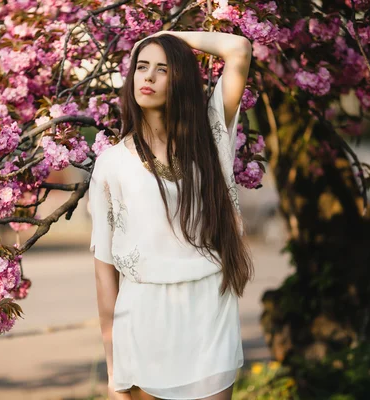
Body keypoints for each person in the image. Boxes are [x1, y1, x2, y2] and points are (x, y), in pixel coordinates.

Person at [88, 30, 254, 400]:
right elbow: (104, 273)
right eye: (141, 67)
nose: (147, 77)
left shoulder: (208, 138)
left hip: (210, 312)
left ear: (179, 79)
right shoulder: (111, 164)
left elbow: (239, 48)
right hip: (144, 319)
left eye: (162, 69)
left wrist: (165, 35)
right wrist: (115, 373)